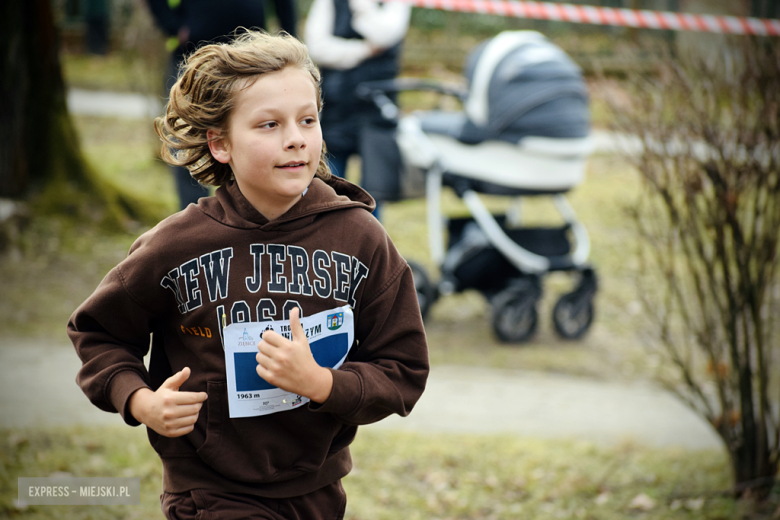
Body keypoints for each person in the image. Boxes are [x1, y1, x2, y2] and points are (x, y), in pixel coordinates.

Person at [67, 31, 428, 520]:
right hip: (208, 491)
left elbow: (402, 368)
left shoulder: (361, 239)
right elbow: (99, 332)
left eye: (307, 119)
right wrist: (139, 400)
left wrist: (322, 384)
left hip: (318, 490)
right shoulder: (178, 245)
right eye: (269, 124)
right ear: (220, 144)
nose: (296, 137)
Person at [145, 0, 298, 210]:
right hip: (193, 57)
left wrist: (288, 43)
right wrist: (174, 26)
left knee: (251, 140)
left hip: (251, 62)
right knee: (188, 143)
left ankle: (246, 215)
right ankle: (195, 222)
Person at [304, 0, 412, 220]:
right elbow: (317, 47)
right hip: (336, 105)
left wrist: (361, 6)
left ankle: (370, 247)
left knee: (374, 192)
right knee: (327, 186)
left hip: (378, 106)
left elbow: (384, 34)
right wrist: (365, 50)